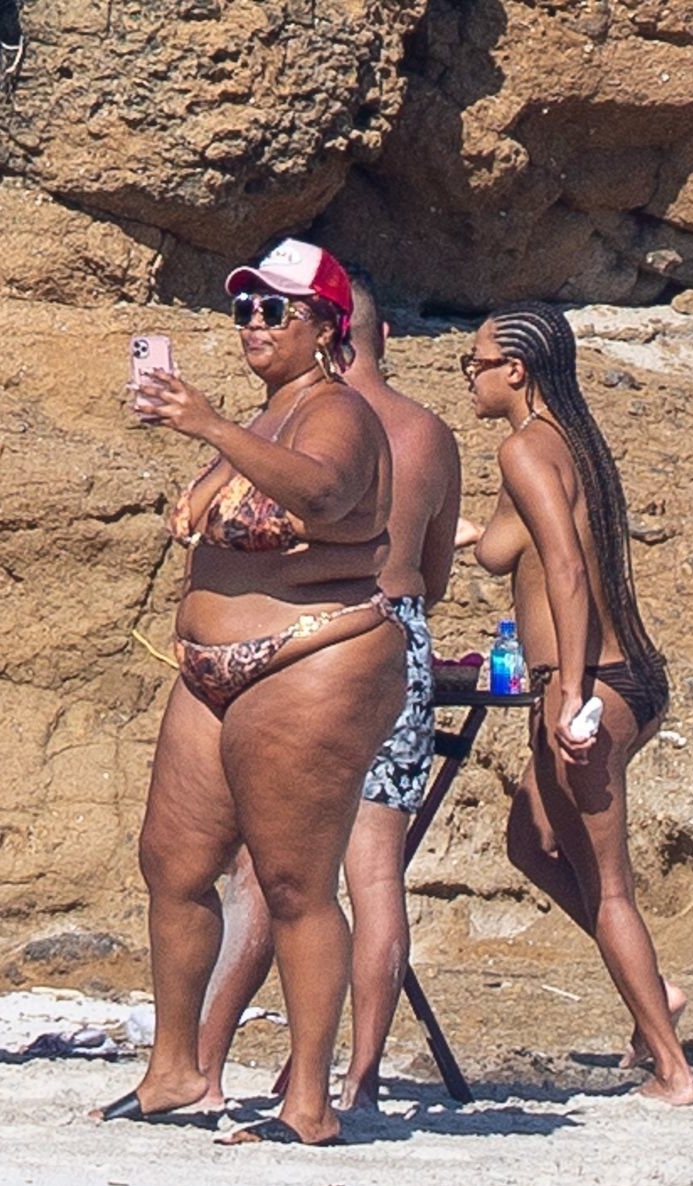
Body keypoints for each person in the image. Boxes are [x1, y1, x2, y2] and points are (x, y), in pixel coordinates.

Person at [97, 240, 401, 1147]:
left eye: (276, 310)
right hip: (213, 667)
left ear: (327, 329)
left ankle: (309, 1101)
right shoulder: (268, 415)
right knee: (172, 865)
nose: (255, 324)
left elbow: (326, 490)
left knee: (294, 882)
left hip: (313, 655)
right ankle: (175, 1070)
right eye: (245, 309)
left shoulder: (339, 411)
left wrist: (209, 427)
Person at [194, 269, 463, 1113]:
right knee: (374, 874)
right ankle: (359, 1078)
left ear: (329, 331)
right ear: (387, 338)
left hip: (301, 641)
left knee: (265, 869)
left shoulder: (294, 423)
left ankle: (206, 1065)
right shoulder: (427, 433)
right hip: (393, 634)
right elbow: (435, 575)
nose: (258, 322)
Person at [463, 301, 693, 1106]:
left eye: (474, 364)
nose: (468, 377)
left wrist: (567, 694)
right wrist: (451, 532)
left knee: (609, 888)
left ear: (515, 370)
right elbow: (506, 548)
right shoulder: (569, 443)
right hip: (627, 676)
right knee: (530, 843)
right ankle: (655, 995)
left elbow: (563, 568)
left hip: (591, 684)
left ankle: (671, 1067)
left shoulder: (526, 448)